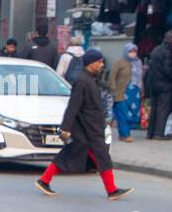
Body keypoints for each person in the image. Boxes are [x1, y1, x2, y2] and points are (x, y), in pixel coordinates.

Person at [36, 49, 132, 199]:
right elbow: (73, 106)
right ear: (91, 63)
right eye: (99, 62)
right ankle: (112, 190)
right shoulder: (82, 81)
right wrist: (65, 128)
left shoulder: (91, 80)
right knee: (99, 157)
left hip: (91, 129)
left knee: (85, 156)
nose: (101, 65)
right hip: (86, 129)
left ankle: (44, 180)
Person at [146, 30, 172, 139]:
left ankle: (150, 133)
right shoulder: (167, 51)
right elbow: (167, 69)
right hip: (164, 85)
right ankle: (158, 133)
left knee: (154, 108)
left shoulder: (155, 49)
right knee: (162, 109)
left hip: (154, 84)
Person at [107, 43, 141, 142]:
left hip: (134, 94)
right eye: (130, 51)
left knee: (133, 115)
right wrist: (113, 88)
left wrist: (141, 90)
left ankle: (123, 134)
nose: (133, 54)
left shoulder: (138, 62)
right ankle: (126, 134)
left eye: (135, 52)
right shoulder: (120, 63)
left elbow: (139, 78)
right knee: (123, 115)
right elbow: (112, 76)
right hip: (121, 93)